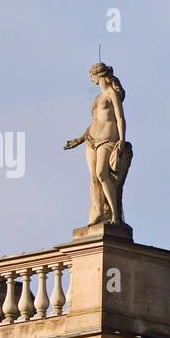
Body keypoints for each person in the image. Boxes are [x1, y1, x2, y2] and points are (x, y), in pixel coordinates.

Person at [64, 62, 130, 225]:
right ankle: (98, 213)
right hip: (91, 140)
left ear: (97, 75)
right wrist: (79, 140)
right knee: (94, 178)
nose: (91, 79)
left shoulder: (111, 94)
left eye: (91, 76)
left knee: (102, 174)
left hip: (107, 138)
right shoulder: (98, 97)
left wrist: (121, 139)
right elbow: (95, 121)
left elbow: (120, 118)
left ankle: (115, 215)